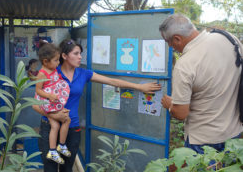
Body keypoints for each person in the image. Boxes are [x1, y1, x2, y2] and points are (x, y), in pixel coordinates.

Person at [33, 38, 161, 172]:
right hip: (49, 127)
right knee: (50, 168)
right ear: (64, 56)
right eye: (76, 53)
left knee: (67, 168)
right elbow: (35, 105)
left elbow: (112, 81)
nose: (80, 57)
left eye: (80, 53)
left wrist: (139, 87)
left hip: (72, 129)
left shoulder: (83, 74)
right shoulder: (52, 72)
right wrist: (54, 115)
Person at [159, 13, 243, 154]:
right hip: (234, 133)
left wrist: (169, 105)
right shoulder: (228, 38)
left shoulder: (185, 65)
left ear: (177, 39)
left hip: (203, 141)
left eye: (168, 42)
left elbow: (181, 113)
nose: (170, 47)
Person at [33, 42, 71, 165]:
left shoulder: (53, 69)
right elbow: (38, 90)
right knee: (58, 124)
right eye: (56, 60)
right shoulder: (42, 73)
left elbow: (56, 81)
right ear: (45, 61)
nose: (58, 63)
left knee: (62, 122)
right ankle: (55, 149)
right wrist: (49, 95)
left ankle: (59, 147)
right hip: (48, 102)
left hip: (54, 100)